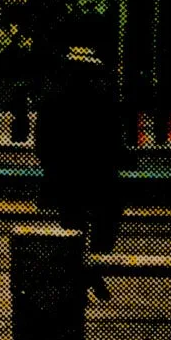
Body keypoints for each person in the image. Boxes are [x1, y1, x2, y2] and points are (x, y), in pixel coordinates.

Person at [36, 48, 126, 297]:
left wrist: (53, 166)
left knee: (72, 226)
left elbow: (42, 143)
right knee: (105, 225)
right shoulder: (104, 102)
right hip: (98, 177)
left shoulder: (52, 101)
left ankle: (78, 273)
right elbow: (115, 142)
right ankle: (90, 270)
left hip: (65, 176)